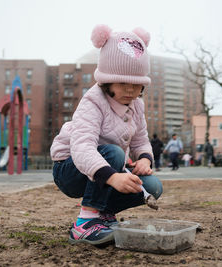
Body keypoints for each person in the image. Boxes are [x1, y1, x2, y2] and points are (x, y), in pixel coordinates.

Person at [50, 25, 163, 246]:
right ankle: (85, 224)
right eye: (123, 83)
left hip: (109, 167)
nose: (130, 90)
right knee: (113, 152)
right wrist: (113, 177)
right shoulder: (93, 101)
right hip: (70, 169)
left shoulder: (136, 105)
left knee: (153, 186)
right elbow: (82, 148)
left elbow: (141, 139)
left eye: (136, 84)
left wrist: (144, 159)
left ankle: (103, 215)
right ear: (107, 80)